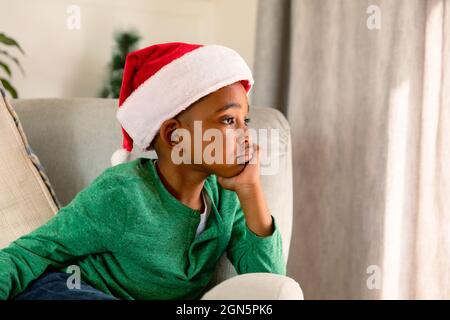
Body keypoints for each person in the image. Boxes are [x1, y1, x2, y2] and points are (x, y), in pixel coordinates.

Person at [0, 42, 286, 300]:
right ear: (175, 136)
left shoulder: (226, 199)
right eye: (228, 120)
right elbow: (31, 251)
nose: (246, 134)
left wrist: (251, 192)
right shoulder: (121, 193)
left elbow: (269, 285)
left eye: (244, 120)